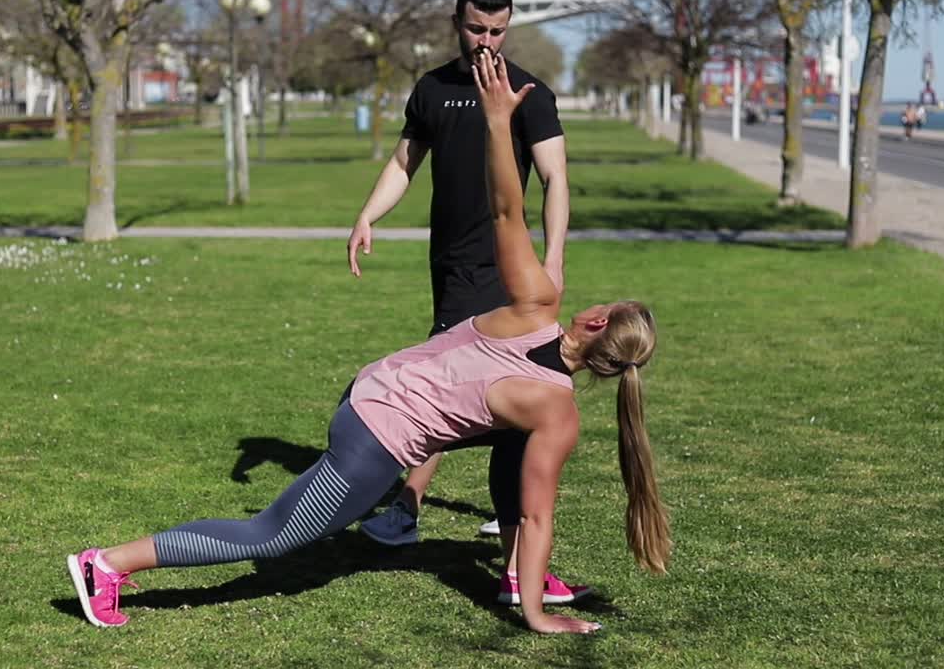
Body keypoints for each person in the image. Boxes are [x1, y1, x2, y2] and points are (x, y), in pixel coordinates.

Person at [66, 51, 669, 635]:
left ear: (594, 323)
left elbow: (507, 214)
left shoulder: (536, 305)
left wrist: (494, 120)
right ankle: (108, 564)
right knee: (274, 535)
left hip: (370, 391)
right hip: (377, 431)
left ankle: (118, 562)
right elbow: (537, 518)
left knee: (498, 442)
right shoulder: (558, 413)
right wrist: (536, 614)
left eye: (609, 305)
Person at [346, 0, 570, 551]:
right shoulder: (432, 89)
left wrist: (555, 259)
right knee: (487, 386)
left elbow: (555, 179)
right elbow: (404, 164)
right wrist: (368, 214)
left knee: (444, 380)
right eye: (476, 28)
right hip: (449, 264)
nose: (487, 41)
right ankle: (512, 514)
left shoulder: (529, 93)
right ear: (457, 22)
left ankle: (407, 508)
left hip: (507, 271)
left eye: (497, 30)